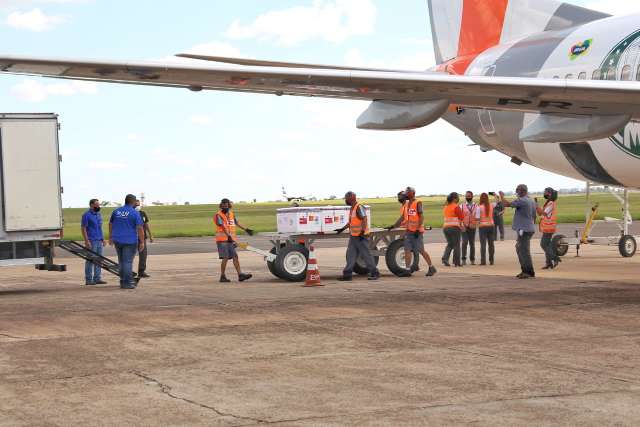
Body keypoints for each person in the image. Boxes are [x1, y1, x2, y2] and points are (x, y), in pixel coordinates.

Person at [388, 187, 437, 277]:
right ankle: (407, 270)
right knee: (407, 250)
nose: (406, 194)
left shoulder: (417, 203)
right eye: (406, 192)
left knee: (421, 250)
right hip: (409, 231)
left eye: (407, 192)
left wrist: (418, 229)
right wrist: (394, 226)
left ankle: (431, 267)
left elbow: (421, 217)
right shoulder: (406, 204)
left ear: (413, 193)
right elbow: (403, 217)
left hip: (417, 232)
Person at [336, 191, 380, 281]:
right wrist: (342, 229)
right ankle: (347, 275)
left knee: (366, 254)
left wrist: (362, 232)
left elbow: (364, 219)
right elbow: (351, 222)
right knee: (350, 255)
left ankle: (374, 272)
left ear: (351, 198)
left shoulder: (358, 207)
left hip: (361, 236)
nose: (345, 200)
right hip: (354, 236)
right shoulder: (352, 208)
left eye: (346, 198)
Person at [499, 185, 537, 279]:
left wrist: (502, 196)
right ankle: (527, 270)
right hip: (528, 228)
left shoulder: (522, 200)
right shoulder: (531, 200)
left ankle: (527, 271)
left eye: (517, 190)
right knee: (520, 248)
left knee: (523, 250)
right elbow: (534, 216)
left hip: (524, 230)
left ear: (522, 191)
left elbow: (507, 204)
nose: (516, 192)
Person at [109, 194, 145, 289]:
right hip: (129, 241)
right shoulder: (134, 213)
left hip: (117, 240)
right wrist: (142, 241)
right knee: (128, 262)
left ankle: (122, 281)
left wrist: (111, 236)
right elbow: (140, 228)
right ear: (133, 202)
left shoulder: (116, 211)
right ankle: (128, 283)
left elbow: (111, 223)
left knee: (121, 262)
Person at [215, 198, 255, 283]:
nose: (226, 207)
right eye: (224, 205)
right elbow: (222, 226)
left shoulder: (231, 214)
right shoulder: (218, 215)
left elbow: (237, 223)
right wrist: (228, 235)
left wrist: (246, 229)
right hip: (222, 240)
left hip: (229, 240)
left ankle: (240, 275)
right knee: (225, 257)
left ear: (229, 205)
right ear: (221, 206)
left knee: (235, 256)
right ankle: (222, 276)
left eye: (227, 205)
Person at [81, 198, 107, 286]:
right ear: (91, 205)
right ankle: (88, 279)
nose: (98, 206)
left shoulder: (98, 214)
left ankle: (97, 278)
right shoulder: (86, 215)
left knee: (98, 260)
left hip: (99, 240)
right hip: (91, 241)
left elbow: (100, 228)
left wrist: (103, 239)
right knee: (90, 260)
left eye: (98, 204)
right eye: (96, 204)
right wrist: (86, 240)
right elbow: (83, 228)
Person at [537, 187, 560, 270]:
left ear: (550, 193)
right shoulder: (549, 202)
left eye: (545, 192)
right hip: (547, 227)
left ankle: (555, 258)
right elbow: (540, 213)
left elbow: (543, 213)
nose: (544, 194)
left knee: (543, 244)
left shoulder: (551, 203)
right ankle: (548, 263)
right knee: (547, 245)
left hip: (548, 227)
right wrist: (537, 206)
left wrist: (536, 206)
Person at [442, 192, 465, 267]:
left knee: (450, 244)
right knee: (456, 245)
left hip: (446, 228)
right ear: (454, 199)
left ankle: (445, 258)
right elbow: (461, 217)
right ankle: (457, 262)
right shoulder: (456, 207)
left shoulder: (446, 207)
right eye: (457, 197)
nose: (458, 199)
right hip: (454, 228)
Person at [135, 199, 154, 278]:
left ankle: (141, 271)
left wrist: (150, 235)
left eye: (139, 205)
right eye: (136, 205)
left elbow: (146, 224)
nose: (138, 207)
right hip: (132, 238)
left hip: (142, 237)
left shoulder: (142, 213)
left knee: (143, 255)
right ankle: (127, 271)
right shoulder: (131, 214)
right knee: (130, 255)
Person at [477, 193, 495, 266]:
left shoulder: (479, 207)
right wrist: (493, 194)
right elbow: (498, 200)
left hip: (482, 227)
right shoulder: (492, 205)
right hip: (491, 226)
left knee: (483, 245)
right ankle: (491, 261)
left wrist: (477, 224)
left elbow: (477, 219)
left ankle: (483, 261)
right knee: (491, 244)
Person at [460, 191, 478, 265]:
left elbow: (478, 217)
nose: (467, 197)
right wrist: (462, 226)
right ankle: (463, 259)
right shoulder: (461, 206)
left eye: (469, 196)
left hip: (472, 227)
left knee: (472, 244)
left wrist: (475, 225)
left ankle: (472, 259)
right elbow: (460, 217)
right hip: (464, 227)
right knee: (464, 243)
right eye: (466, 196)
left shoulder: (476, 206)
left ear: (472, 196)